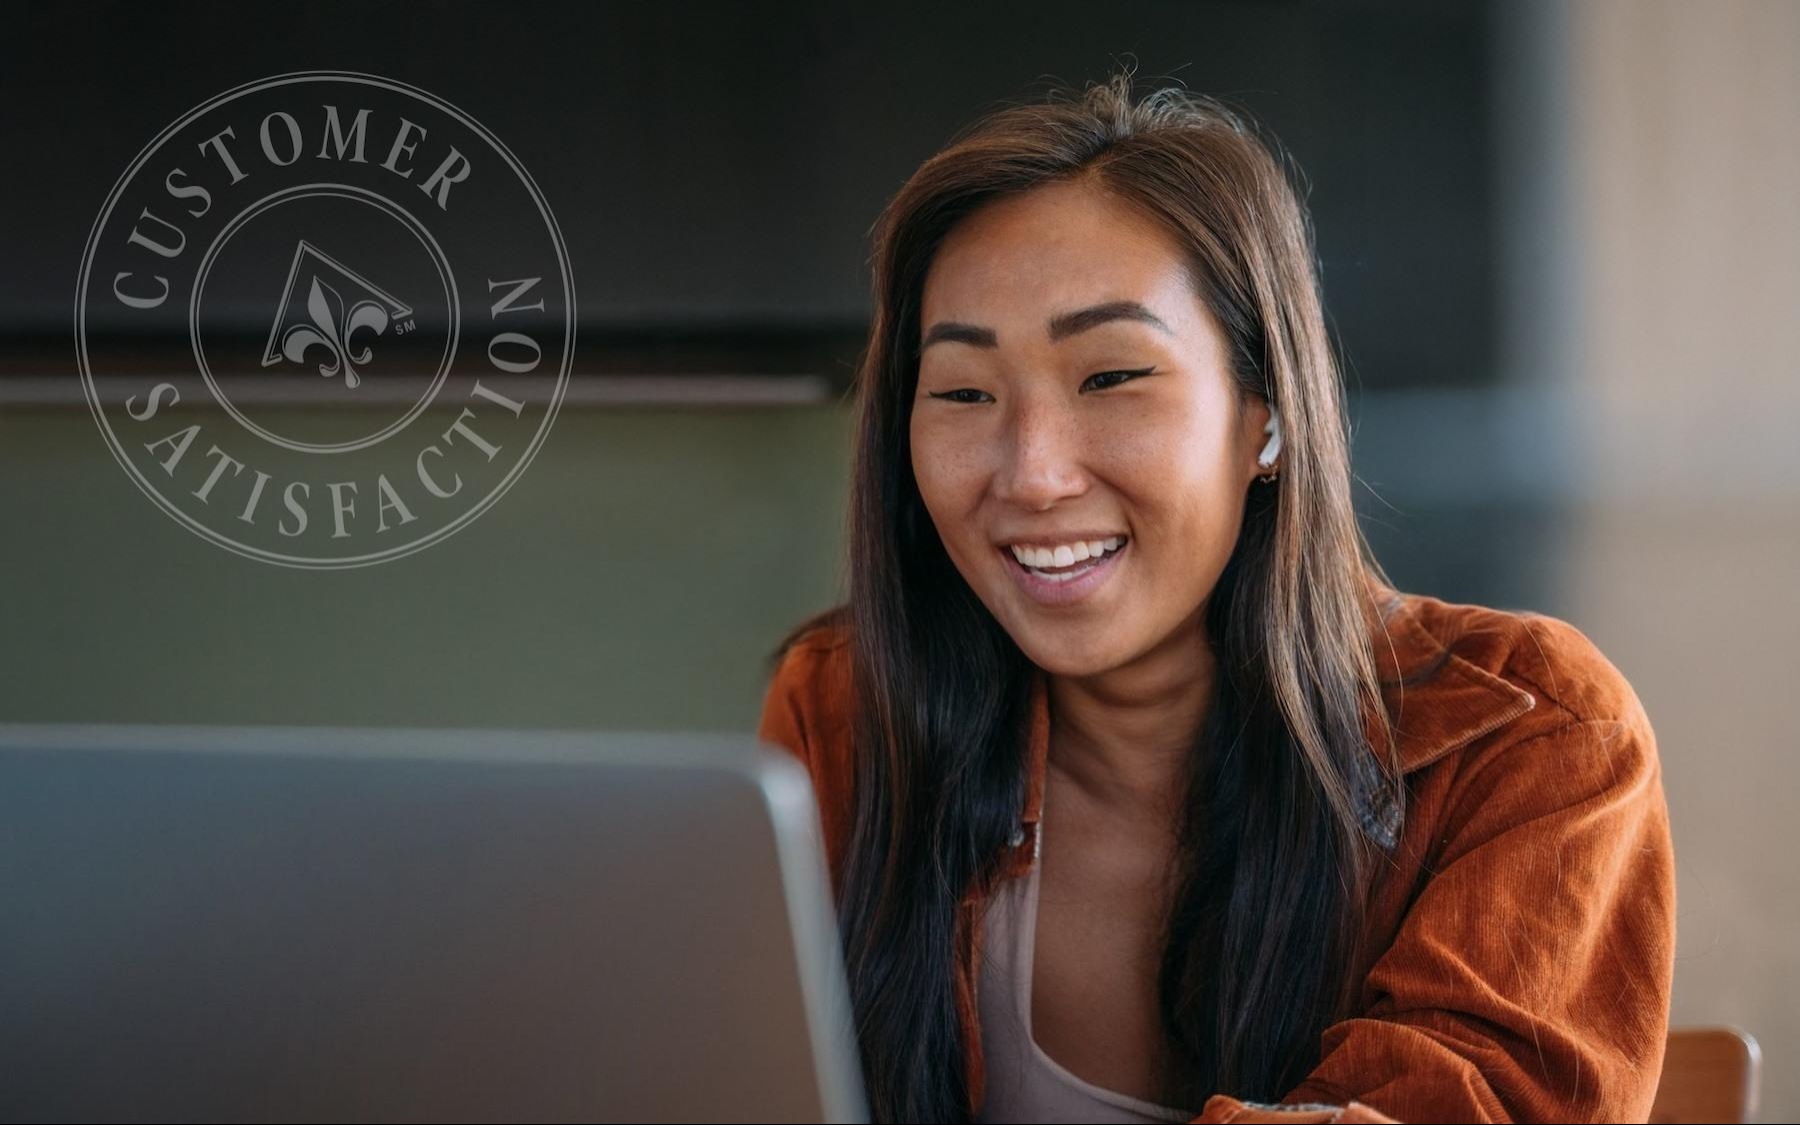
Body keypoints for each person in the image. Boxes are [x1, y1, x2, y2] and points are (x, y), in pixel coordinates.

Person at [757, 69, 1675, 1125]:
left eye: (1112, 378)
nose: (1032, 475)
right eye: (964, 392)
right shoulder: (842, 711)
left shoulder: (1532, 736)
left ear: (1267, 417)